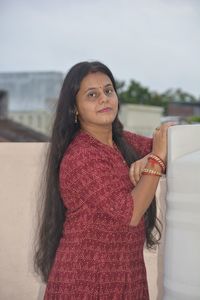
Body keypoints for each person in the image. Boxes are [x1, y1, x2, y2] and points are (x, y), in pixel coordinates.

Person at [34, 61, 173, 300]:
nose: (104, 99)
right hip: (86, 280)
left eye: (108, 91)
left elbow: (171, 141)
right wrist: (156, 160)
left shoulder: (123, 141)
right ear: (74, 108)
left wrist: (151, 158)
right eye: (92, 94)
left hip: (127, 275)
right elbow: (130, 212)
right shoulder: (81, 156)